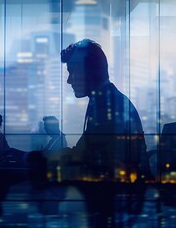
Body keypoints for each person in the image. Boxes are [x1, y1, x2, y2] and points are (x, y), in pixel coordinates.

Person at [58, 39, 152, 182]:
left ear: (89, 72)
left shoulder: (107, 107)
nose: (69, 80)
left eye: (73, 72)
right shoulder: (105, 100)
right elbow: (81, 151)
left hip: (115, 195)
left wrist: (37, 160)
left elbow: (86, 160)